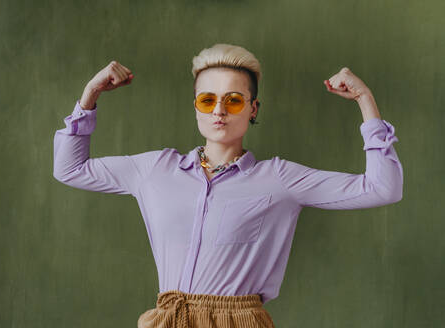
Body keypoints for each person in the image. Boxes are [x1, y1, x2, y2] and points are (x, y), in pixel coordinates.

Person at [53, 43, 403, 328]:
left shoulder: (279, 179)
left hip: (240, 320)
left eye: (233, 100)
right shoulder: (154, 169)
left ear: (253, 109)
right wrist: (90, 95)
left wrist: (365, 101)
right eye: (207, 100)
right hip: (168, 318)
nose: (219, 110)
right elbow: (69, 169)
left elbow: (382, 188)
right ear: (196, 108)